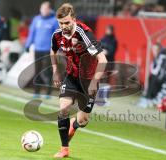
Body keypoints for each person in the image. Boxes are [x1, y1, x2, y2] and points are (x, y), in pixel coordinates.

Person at [50, 3, 107, 158]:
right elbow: (53, 50)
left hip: (88, 80)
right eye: (61, 23)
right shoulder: (57, 35)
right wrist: (55, 71)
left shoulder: (85, 34)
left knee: (83, 120)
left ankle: (74, 125)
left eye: (67, 22)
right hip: (71, 77)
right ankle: (64, 149)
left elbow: (103, 59)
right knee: (63, 109)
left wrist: (95, 81)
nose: (64, 26)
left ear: (74, 19)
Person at [25, 1, 59, 98]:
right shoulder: (36, 19)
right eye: (42, 8)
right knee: (37, 70)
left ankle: (48, 92)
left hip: (48, 50)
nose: (43, 10)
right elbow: (32, 33)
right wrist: (28, 45)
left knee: (46, 70)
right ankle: (36, 92)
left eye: (45, 9)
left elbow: (57, 36)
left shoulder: (53, 21)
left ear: (49, 9)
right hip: (37, 49)